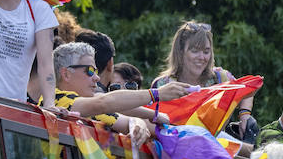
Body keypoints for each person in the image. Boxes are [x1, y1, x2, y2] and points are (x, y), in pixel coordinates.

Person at [51, 42, 189, 142]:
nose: (97, 78)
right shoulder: (57, 100)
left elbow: (122, 115)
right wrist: (156, 94)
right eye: (90, 71)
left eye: (96, 71)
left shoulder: (87, 105)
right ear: (66, 74)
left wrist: (137, 123)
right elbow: (104, 102)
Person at [153, 20, 256, 140]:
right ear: (180, 52)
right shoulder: (163, 84)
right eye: (195, 51)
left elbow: (247, 91)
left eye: (206, 51)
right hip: (175, 147)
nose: (202, 57)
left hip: (214, 146)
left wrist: (244, 115)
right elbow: (151, 119)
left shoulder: (220, 78)